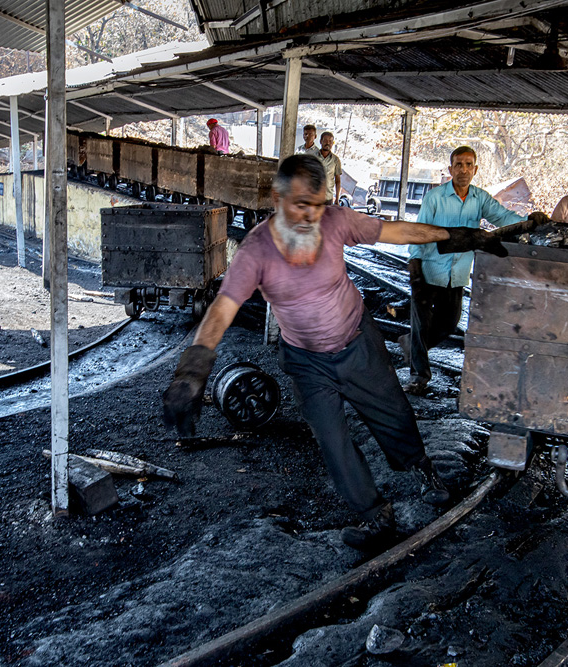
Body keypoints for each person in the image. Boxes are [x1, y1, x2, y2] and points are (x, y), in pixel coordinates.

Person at [162, 154, 507, 550]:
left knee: (393, 413)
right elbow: (223, 307)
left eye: (319, 204)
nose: (311, 216)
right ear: (277, 198)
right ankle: (376, 515)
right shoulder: (256, 251)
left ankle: (422, 470)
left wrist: (463, 237)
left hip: (358, 342)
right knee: (332, 439)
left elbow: (398, 231)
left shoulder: (336, 221)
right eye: (301, 205)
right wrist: (191, 372)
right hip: (307, 363)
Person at [400, 145, 528, 396]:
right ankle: (419, 376)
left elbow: (504, 217)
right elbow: (420, 231)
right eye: (458, 164)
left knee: (449, 323)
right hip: (429, 270)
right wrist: (415, 273)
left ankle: (411, 344)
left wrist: (529, 221)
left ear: (476, 169)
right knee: (421, 324)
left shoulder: (480, 198)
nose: (464, 169)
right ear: (450, 169)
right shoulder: (434, 197)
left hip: (457, 274)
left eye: (469, 165)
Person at [317, 131, 342, 205]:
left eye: (330, 141)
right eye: (325, 140)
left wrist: (337, 199)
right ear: (321, 141)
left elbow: (337, 181)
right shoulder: (313, 157)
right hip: (314, 198)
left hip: (328, 198)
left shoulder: (335, 160)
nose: (328, 143)